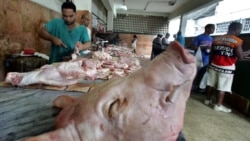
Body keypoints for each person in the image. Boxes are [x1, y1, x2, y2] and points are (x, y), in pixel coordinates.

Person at [204, 22, 244, 113]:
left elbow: (211, 53)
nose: (240, 32)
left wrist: (210, 64)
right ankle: (218, 105)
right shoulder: (237, 41)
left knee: (210, 83)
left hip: (214, 65)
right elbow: (240, 56)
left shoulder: (217, 38)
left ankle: (207, 100)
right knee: (223, 87)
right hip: (227, 67)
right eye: (240, 30)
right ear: (236, 29)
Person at [190, 24, 215, 92]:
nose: (213, 30)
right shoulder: (199, 37)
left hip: (206, 60)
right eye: (212, 28)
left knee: (203, 74)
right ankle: (190, 87)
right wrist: (204, 47)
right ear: (207, 28)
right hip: (198, 59)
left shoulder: (211, 39)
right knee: (194, 74)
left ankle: (199, 87)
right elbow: (193, 47)